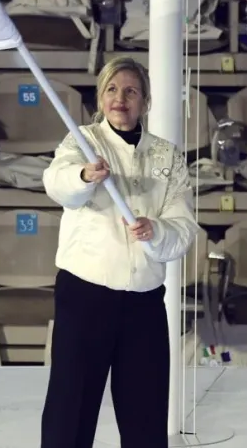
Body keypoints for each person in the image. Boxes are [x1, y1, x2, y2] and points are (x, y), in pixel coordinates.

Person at [40, 57, 198, 448]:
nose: (120, 99)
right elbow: (57, 183)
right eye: (111, 89)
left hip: (143, 304)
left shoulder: (167, 156)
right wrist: (84, 176)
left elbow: (183, 227)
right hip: (85, 297)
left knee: (145, 416)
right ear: (100, 97)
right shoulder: (82, 142)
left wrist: (156, 230)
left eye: (130, 91)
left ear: (145, 101)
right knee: (70, 412)